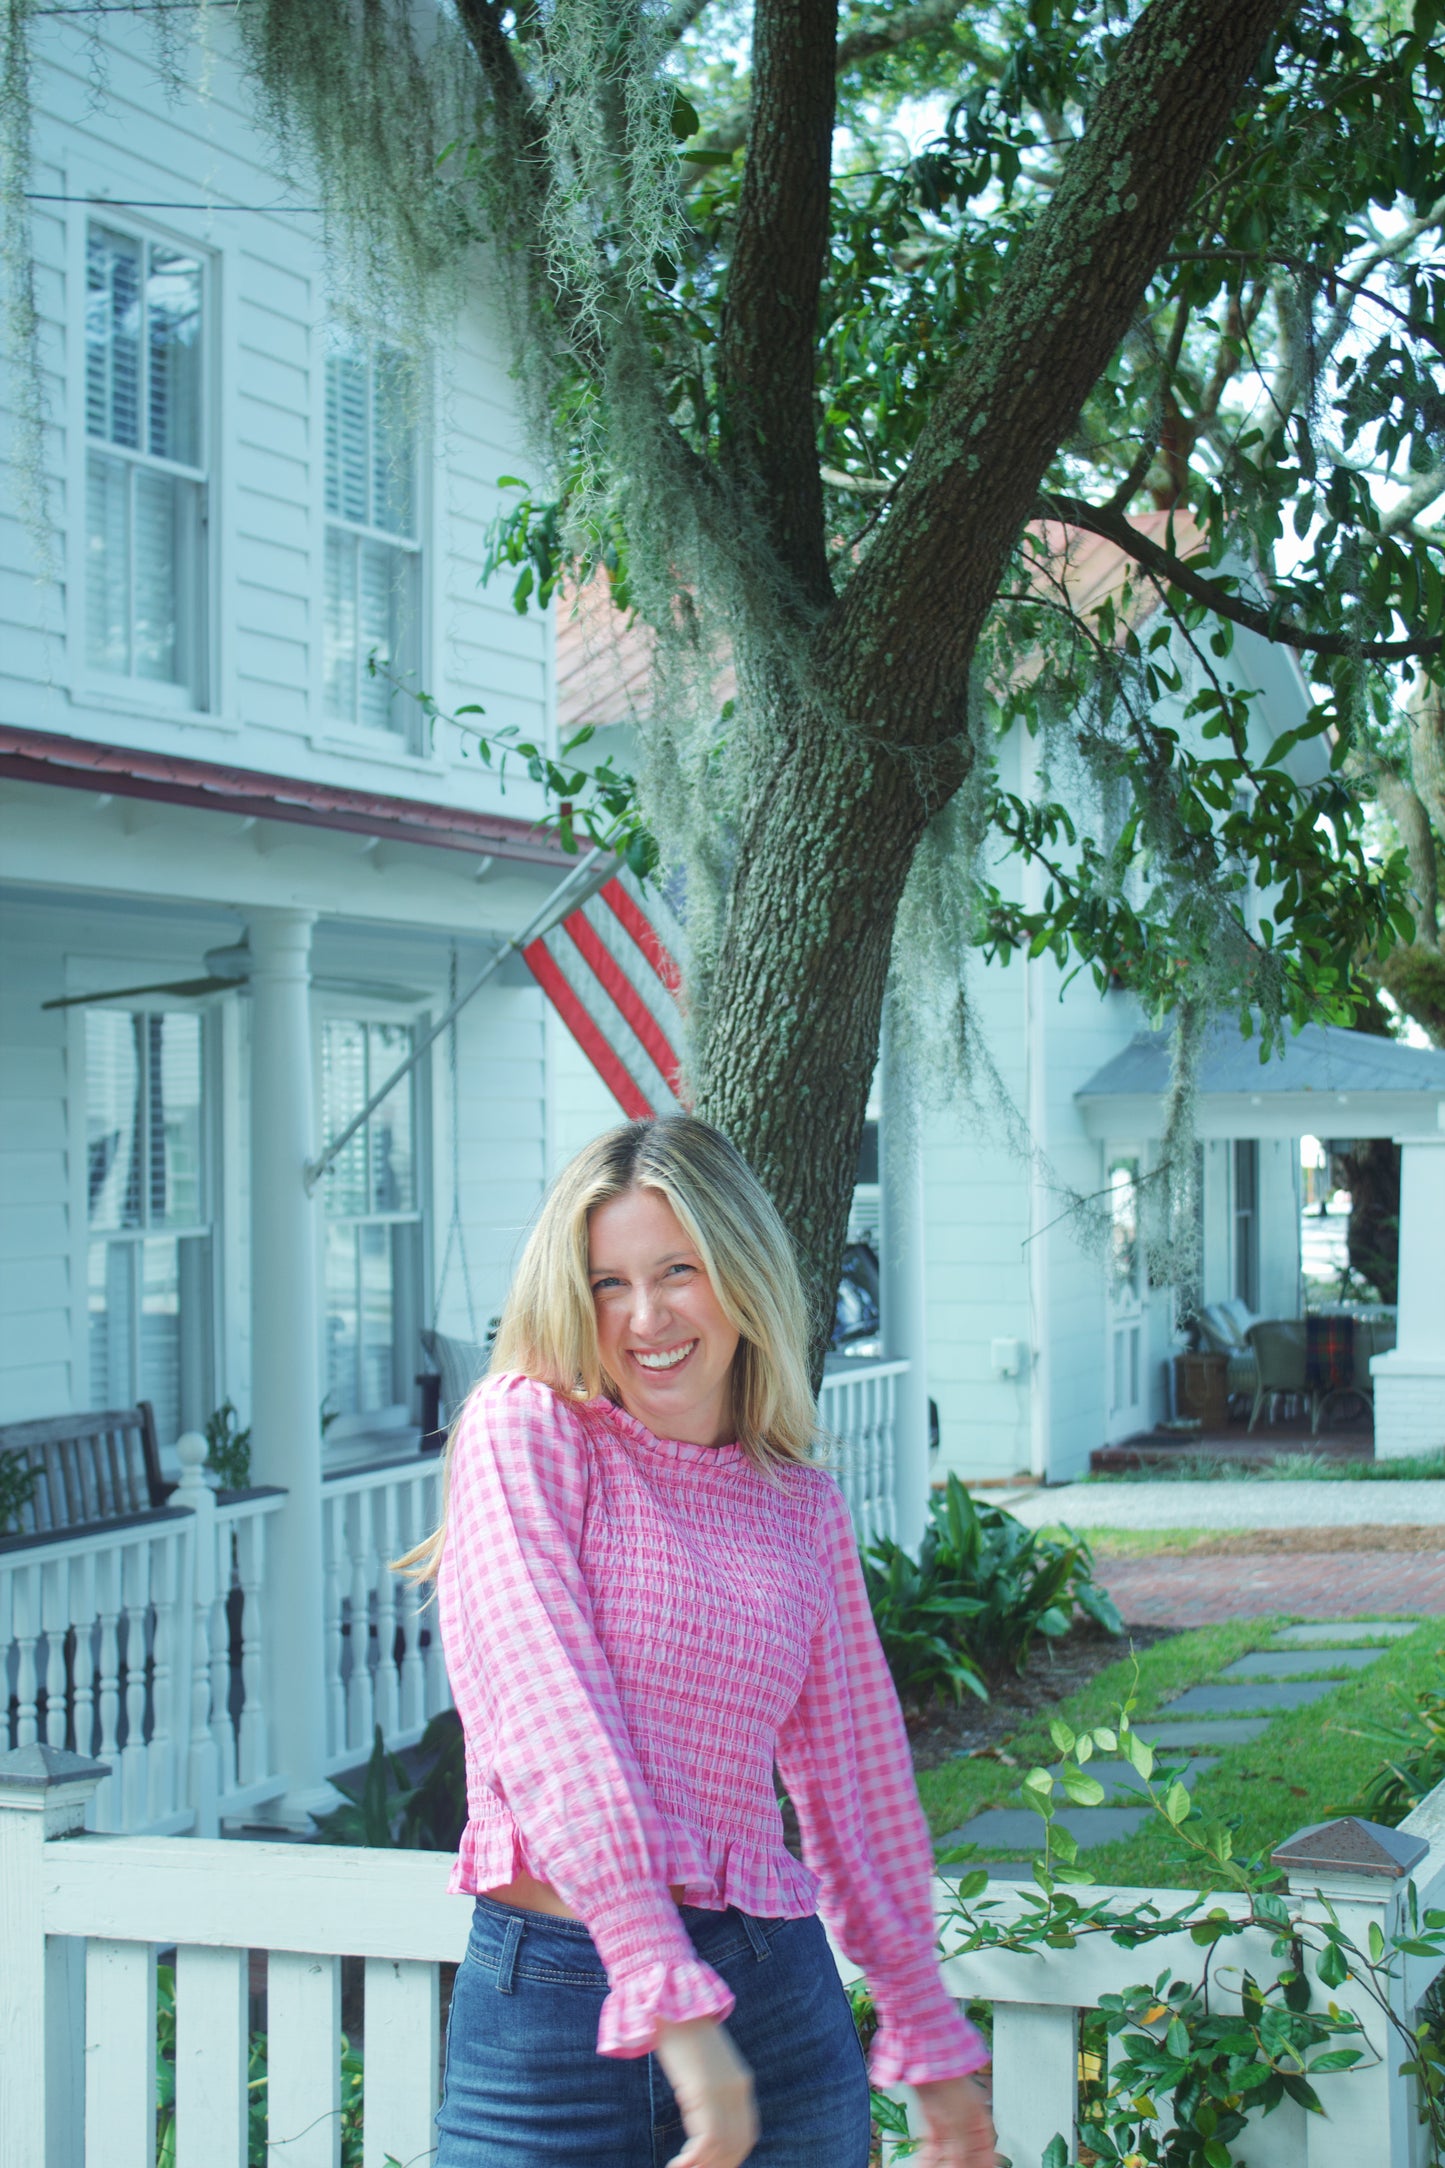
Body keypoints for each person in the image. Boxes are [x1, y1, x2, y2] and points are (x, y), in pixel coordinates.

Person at [404, 1115, 997, 2168]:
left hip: (772, 1999)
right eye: (605, 1283)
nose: (644, 1316)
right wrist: (668, 2003)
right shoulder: (526, 1430)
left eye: (676, 1269)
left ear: (741, 1273)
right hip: (550, 2012)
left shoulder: (797, 1505)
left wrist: (925, 2033)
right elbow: (548, 1718)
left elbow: (857, 1788)